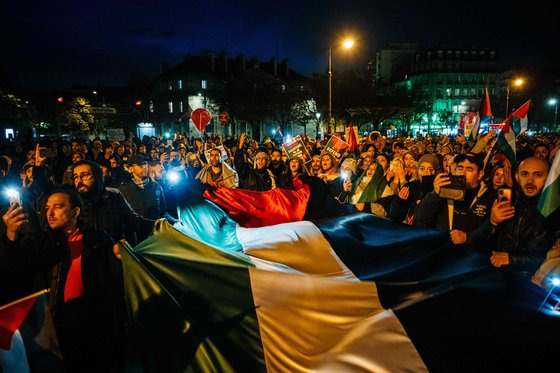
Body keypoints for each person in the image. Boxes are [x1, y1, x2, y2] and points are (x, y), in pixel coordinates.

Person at [1, 189, 126, 371]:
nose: (49, 213)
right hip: (53, 327)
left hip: (91, 328)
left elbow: (113, 283)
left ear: (75, 212)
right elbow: (10, 269)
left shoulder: (98, 240)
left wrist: (121, 256)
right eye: (47, 208)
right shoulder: (39, 242)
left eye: (57, 207)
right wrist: (11, 237)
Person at [483, 156, 557, 276]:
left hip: (530, 283)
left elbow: (553, 260)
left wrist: (512, 259)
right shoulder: (508, 202)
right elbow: (480, 242)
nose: (530, 181)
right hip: (498, 275)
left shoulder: (553, 212)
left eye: (538, 175)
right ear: (517, 176)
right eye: (524, 174)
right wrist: (492, 223)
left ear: (549, 177)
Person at [414, 153, 495, 248]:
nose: (463, 173)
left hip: (471, 254)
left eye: (469, 169)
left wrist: (468, 238)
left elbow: (491, 235)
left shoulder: (489, 196)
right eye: (460, 168)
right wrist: (435, 194)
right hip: (443, 250)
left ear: (480, 174)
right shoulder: (443, 190)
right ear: (455, 170)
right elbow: (420, 217)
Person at [118, 154, 168, 240]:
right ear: (130, 169)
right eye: (141, 165)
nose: (145, 167)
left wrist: (172, 221)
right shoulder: (123, 190)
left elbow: (163, 210)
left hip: (155, 235)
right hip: (135, 238)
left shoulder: (156, 187)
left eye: (146, 164)